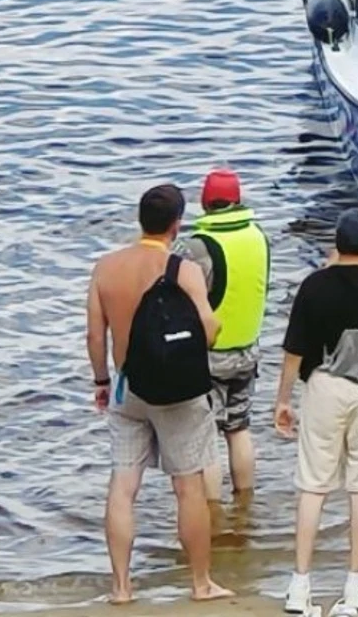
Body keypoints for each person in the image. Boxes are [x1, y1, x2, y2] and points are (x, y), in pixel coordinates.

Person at [85, 184, 230, 604]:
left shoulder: (106, 267)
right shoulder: (183, 270)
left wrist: (101, 381)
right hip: (176, 392)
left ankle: (121, 587)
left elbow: (96, 334)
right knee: (188, 488)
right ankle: (201, 584)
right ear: (177, 224)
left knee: (123, 486)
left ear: (140, 220)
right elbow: (208, 327)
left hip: (129, 388)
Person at [274, 210, 358, 617]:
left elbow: (293, 351)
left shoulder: (314, 286)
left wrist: (282, 400)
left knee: (313, 486)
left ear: (337, 243)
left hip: (321, 388)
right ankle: (354, 588)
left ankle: (299, 588)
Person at [182, 169, 272, 502]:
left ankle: (212, 514)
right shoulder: (259, 236)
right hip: (248, 349)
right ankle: (245, 504)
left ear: (205, 202)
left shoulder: (197, 247)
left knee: (205, 438)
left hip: (208, 356)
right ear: (238, 200)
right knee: (239, 428)